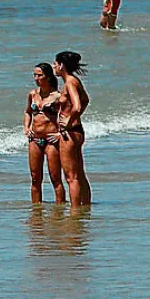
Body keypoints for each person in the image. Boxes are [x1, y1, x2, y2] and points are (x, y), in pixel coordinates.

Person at [54, 51, 92, 207]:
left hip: (69, 133)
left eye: (55, 64)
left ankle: (75, 212)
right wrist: (75, 118)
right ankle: (86, 207)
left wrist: (69, 121)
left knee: (71, 177)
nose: (54, 67)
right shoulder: (74, 81)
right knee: (79, 174)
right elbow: (86, 100)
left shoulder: (69, 83)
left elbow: (77, 106)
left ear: (61, 66)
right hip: (77, 130)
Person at [25, 63, 65, 204]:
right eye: (35, 75)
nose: (36, 78)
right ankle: (36, 210)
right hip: (35, 139)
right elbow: (28, 112)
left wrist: (60, 133)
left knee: (55, 178)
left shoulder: (57, 96)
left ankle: (60, 209)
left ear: (48, 77)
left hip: (51, 140)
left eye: (39, 75)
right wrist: (26, 128)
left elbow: (67, 115)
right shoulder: (33, 94)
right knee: (35, 178)